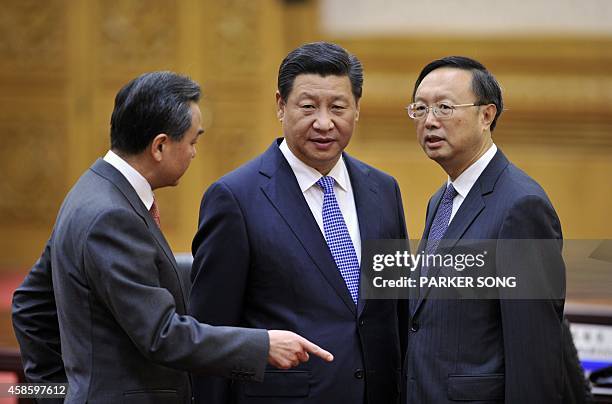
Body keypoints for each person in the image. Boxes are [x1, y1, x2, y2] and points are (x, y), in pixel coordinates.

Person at [11, 71, 333, 404]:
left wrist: (59, 393)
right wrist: (263, 346)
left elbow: (30, 306)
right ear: (160, 146)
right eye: (192, 141)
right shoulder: (111, 215)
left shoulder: (89, 190)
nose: (194, 153)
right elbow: (161, 334)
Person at [189, 42, 409, 404]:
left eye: (338, 107)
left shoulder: (383, 190)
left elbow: (395, 310)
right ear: (280, 105)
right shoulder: (235, 197)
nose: (324, 122)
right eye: (308, 107)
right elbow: (212, 334)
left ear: (357, 109)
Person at [404, 56, 565, 403]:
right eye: (420, 109)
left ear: (486, 115)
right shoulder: (441, 200)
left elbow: (534, 353)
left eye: (444, 107)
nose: (430, 121)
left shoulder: (521, 206)